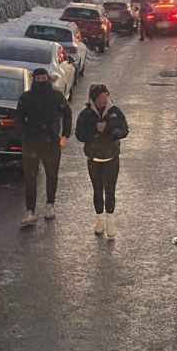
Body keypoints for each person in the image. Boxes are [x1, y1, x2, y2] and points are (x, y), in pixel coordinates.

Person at [15, 68, 72, 227]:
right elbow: (19, 117)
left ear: (48, 78)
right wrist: (22, 134)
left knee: (51, 174)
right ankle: (30, 210)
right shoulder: (26, 97)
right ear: (34, 79)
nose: (41, 81)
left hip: (51, 141)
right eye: (38, 78)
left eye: (43, 78)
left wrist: (65, 134)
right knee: (30, 177)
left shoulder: (56, 96)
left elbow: (67, 112)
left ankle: (50, 205)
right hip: (31, 141)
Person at [75, 84, 129, 239]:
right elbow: (79, 135)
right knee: (97, 190)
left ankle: (110, 221)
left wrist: (109, 129)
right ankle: (99, 220)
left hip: (111, 158)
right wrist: (94, 130)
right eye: (100, 97)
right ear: (93, 99)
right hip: (94, 159)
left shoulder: (115, 112)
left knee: (110, 190)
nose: (104, 100)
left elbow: (124, 131)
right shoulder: (86, 115)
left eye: (106, 96)